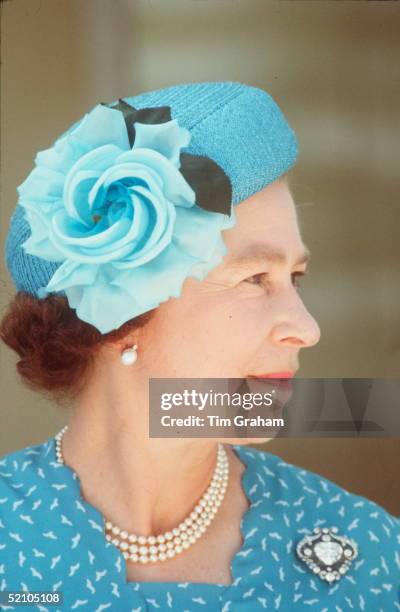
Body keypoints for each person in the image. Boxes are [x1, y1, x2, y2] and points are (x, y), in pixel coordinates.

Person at [0, 81, 399, 612]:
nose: (306, 328)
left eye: (294, 278)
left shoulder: (367, 554)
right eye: (256, 278)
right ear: (122, 317)